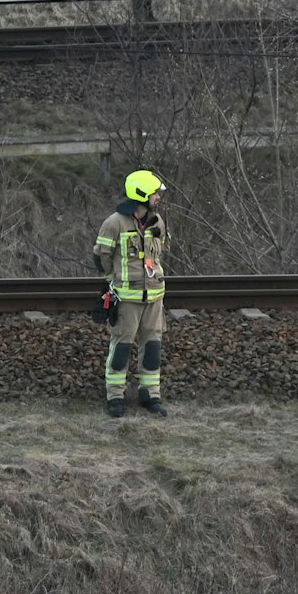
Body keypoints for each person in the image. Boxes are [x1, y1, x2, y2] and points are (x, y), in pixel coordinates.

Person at [92, 169, 171, 419]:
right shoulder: (114, 223)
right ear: (141, 194)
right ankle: (115, 396)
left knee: (153, 347)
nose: (158, 197)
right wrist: (110, 283)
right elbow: (101, 257)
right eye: (155, 193)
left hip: (154, 298)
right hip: (127, 300)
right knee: (121, 349)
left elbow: (160, 252)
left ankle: (151, 395)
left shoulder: (158, 221)